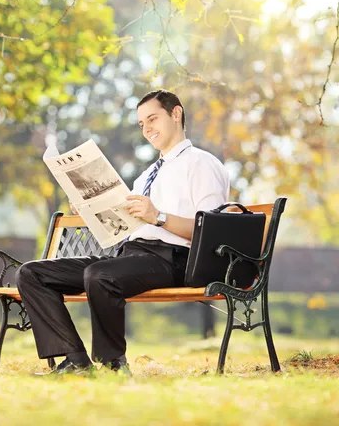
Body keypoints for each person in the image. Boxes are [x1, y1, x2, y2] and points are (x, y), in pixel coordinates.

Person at [15, 89, 230, 376]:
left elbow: (211, 234)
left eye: (152, 119)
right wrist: (89, 212)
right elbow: (123, 226)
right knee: (31, 274)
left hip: (175, 259)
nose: (147, 129)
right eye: (142, 124)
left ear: (176, 114)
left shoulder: (202, 164)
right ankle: (75, 360)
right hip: (130, 255)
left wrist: (159, 217)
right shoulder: (146, 176)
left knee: (101, 275)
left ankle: (112, 364)